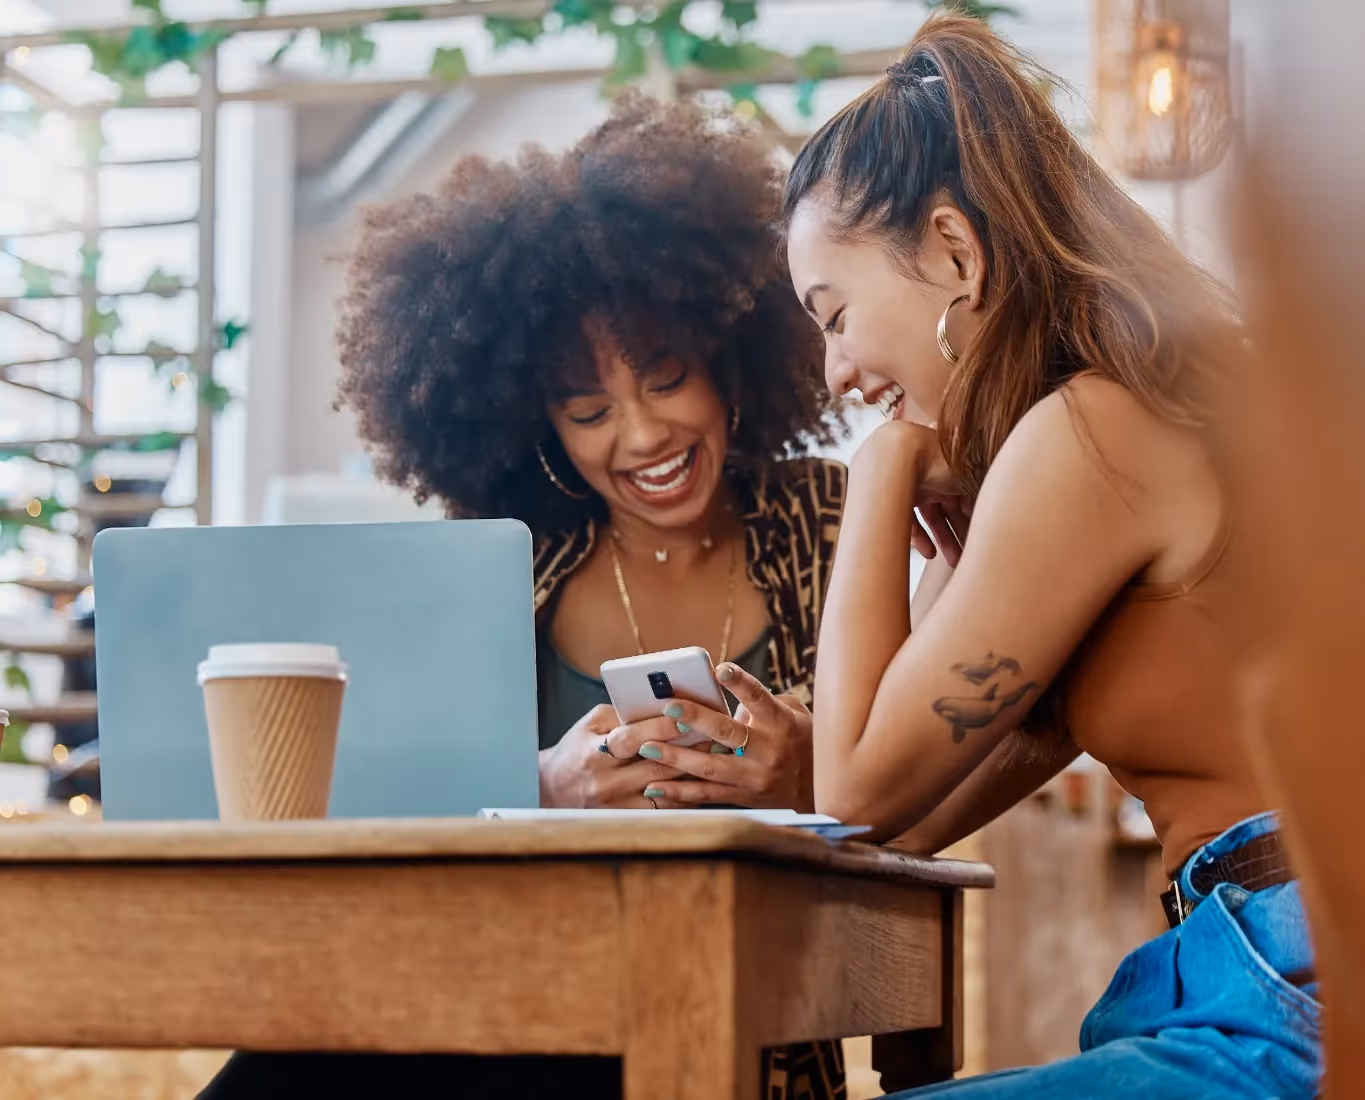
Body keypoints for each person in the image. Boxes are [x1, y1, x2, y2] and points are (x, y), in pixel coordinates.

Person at [199, 96, 847, 1100]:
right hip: (498, 998)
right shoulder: (506, 565)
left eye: (668, 381)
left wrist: (813, 776)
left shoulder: (828, 522)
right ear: (539, 424)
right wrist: (541, 785)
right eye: (588, 409)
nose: (639, 437)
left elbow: (908, 786)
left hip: (731, 1023)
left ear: (729, 361)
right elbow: (387, 821)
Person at [779, 14, 1320, 1099]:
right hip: (1258, 959)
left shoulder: (1091, 432)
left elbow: (859, 790)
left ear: (954, 252)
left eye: (834, 316)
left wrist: (881, 470)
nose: (834, 371)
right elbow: (916, 815)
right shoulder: (1107, 422)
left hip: (1297, 980)